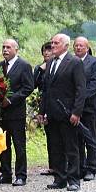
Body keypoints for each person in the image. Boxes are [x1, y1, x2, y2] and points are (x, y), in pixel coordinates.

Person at [37, 33, 86, 191]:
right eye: (52, 42)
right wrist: (42, 111)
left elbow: (80, 89)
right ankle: (60, 178)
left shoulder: (74, 62)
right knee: (56, 147)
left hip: (68, 113)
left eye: (56, 43)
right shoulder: (50, 62)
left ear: (65, 45)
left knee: (71, 147)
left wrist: (76, 112)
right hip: (52, 113)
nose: (52, 45)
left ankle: (73, 179)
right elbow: (46, 89)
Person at [0, 39, 34, 186]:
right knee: (3, 144)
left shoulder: (24, 66)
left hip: (16, 112)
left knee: (19, 145)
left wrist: (11, 99)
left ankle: (21, 175)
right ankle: (5, 173)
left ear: (16, 49)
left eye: (8, 47)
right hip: (1, 113)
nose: (5, 50)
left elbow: (28, 87)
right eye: (3, 47)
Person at [74, 37, 96, 181]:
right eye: (76, 45)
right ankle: (80, 167)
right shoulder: (71, 62)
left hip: (89, 106)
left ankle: (92, 168)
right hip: (74, 108)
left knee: (90, 137)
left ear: (87, 47)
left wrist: (80, 97)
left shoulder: (95, 62)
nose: (78, 48)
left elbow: (95, 84)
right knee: (77, 138)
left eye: (81, 46)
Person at [33, 42, 55, 176]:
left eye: (49, 50)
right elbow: (33, 84)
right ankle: (52, 165)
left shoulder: (59, 66)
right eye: (44, 51)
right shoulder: (39, 68)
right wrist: (41, 69)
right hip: (44, 104)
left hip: (57, 104)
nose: (46, 53)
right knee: (50, 137)